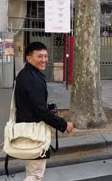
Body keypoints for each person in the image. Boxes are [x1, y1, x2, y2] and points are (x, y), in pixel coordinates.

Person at [15, 42, 74, 181]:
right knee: (35, 174)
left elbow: (33, 104)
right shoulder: (33, 79)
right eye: (39, 56)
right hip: (34, 130)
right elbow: (41, 112)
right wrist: (64, 125)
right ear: (29, 58)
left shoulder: (26, 74)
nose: (44, 60)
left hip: (27, 127)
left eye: (46, 56)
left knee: (32, 168)